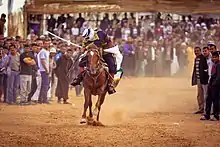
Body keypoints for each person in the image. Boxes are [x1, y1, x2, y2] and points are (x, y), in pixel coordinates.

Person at [71, 28, 123, 95]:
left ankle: (110, 84)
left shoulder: (100, 33)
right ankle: (78, 78)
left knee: (112, 66)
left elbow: (98, 44)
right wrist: (83, 48)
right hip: (94, 53)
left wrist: (86, 47)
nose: (87, 39)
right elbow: (84, 45)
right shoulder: (86, 39)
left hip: (106, 51)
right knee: (81, 63)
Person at [200, 51, 220, 121]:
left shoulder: (218, 65)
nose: (214, 58)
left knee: (215, 101)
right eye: (213, 57)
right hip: (211, 84)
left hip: (216, 86)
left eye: (215, 57)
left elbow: (218, 77)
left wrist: (214, 84)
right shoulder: (214, 64)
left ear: (218, 57)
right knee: (208, 100)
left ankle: (216, 115)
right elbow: (212, 75)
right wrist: (210, 84)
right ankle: (207, 115)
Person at [192, 47, 209, 114]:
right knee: (200, 95)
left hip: (204, 80)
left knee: (205, 94)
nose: (196, 52)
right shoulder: (196, 59)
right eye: (195, 51)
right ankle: (201, 108)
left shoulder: (203, 58)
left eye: (197, 51)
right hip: (199, 79)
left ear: (200, 51)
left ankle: (205, 109)